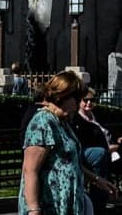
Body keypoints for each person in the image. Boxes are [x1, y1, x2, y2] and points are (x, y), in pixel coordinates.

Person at [21, 71, 89, 215]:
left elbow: (68, 161)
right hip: (50, 205)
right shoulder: (42, 122)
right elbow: (30, 170)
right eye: (76, 100)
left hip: (66, 203)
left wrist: (96, 180)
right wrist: (34, 209)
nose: (78, 106)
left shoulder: (62, 122)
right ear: (62, 97)